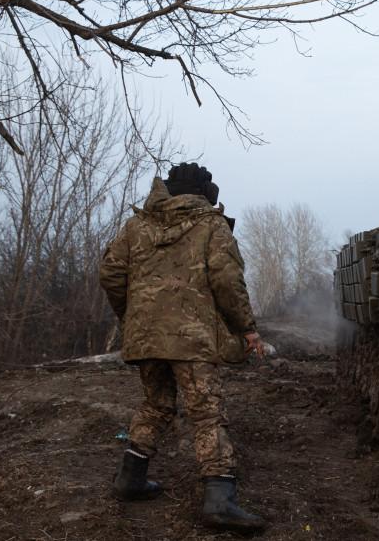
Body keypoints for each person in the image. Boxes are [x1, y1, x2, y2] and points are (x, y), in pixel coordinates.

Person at [99, 163, 266, 534]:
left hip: (146, 335)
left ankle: (130, 480)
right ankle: (219, 500)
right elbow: (227, 281)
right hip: (191, 338)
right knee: (206, 412)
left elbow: (110, 273)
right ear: (206, 193)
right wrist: (248, 330)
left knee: (155, 405)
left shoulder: (135, 226)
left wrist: (134, 315)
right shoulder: (211, 224)